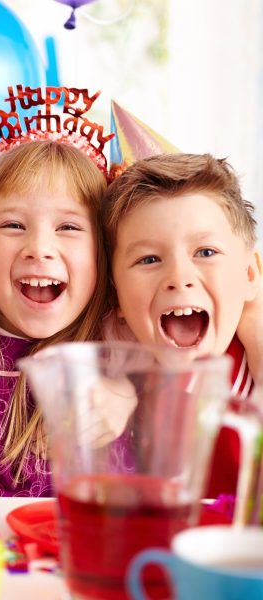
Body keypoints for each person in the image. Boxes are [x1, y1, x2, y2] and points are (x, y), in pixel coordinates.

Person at [0, 85, 116, 496]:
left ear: (103, 249)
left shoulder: (120, 339)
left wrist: (125, 391)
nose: (39, 249)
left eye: (68, 227)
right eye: (13, 225)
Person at [102, 152, 260, 497]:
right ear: (116, 297)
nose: (179, 278)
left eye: (205, 252)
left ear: (249, 274)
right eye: (149, 259)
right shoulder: (112, 375)